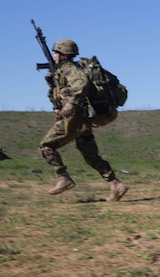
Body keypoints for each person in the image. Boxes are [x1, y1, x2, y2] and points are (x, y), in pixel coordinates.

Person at [38, 38, 129, 202]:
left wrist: (72, 103)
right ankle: (116, 184)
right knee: (91, 156)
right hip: (83, 119)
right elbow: (62, 94)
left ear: (64, 54)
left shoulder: (68, 68)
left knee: (46, 146)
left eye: (56, 53)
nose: (54, 56)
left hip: (75, 119)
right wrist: (52, 85)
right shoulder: (65, 70)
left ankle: (63, 177)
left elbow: (82, 84)